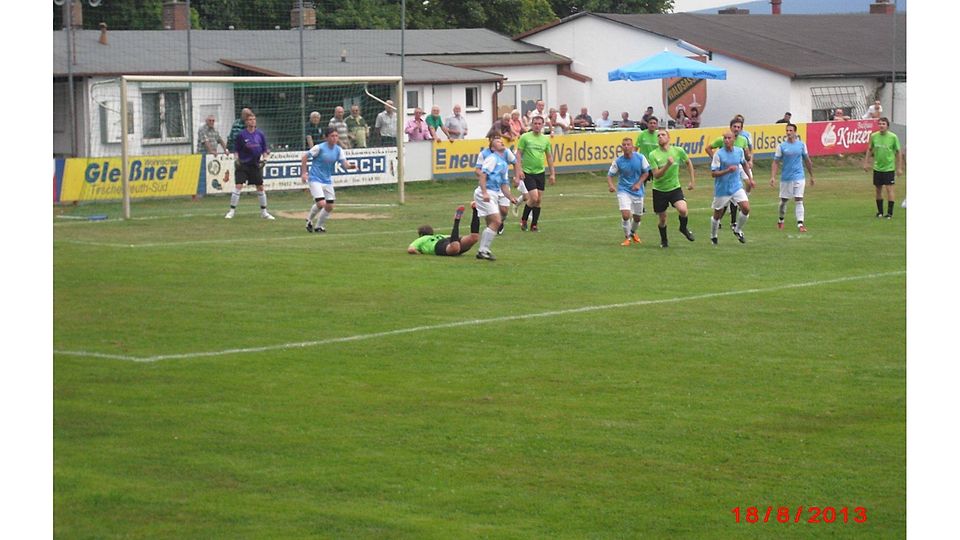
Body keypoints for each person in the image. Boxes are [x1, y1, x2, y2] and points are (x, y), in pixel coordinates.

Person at [300, 126, 358, 233]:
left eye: (336, 136)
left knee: (329, 206)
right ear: (326, 137)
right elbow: (304, 157)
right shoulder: (319, 148)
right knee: (322, 203)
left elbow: (344, 164)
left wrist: (350, 166)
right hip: (315, 178)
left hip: (327, 180)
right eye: (332, 136)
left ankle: (318, 226)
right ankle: (309, 219)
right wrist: (304, 173)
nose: (335, 138)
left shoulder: (338, 150)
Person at [648, 127, 696, 248]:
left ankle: (683, 228)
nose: (660, 137)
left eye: (663, 135)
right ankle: (664, 240)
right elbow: (656, 175)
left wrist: (692, 181)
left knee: (683, 210)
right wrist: (668, 165)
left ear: (669, 138)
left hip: (674, 188)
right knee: (663, 219)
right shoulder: (653, 154)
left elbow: (688, 162)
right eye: (658, 136)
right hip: (659, 190)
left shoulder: (678, 151)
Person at [473, 135, 520, 260]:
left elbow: (504, 184)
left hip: (493, 192)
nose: (501, 142)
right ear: (493, 148)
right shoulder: (492, 158)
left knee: (494, 221)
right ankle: (483, 250)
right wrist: (484, 193)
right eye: (498, 142)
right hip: (486, 192)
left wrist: (511, 197)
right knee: (497, 221)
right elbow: (483, 175)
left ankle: (483, 251)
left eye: (501, 141)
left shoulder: (504, 163)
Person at [706, 117, 754, 230]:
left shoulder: (743, 140)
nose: (736, 129)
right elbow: (708, 148)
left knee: (748, 184)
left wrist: (749, 158)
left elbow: (746, 155)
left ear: (741, 129)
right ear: (730, 127)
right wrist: (715, 159)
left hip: (739, 166)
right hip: (726, 169)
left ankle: (740, 203)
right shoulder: (721, 139)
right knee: (720, 207)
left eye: (738, 127)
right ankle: (725, 214)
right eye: (734, 126)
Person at [225, 113, 274, 220]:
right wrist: (236, 160)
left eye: (254, 119)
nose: (252, 121)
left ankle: (264, 212)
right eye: (250, 120)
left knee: (260, 187)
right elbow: (236, 150)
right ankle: (231, 211)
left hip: (255, 165)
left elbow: (265, 150)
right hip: (243, 164)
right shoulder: (241, 135)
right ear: (246, 122)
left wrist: (264, 160)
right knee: (238, 186)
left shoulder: (260, 134)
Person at [770, 123, 815, 232]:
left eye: (791, 131)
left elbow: (807, 160)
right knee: (783, 202)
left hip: (799, 176)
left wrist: (811, 176)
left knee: (799, 199)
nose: (788, 133)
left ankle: (800, 224)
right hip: (786, 178)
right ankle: (781, 220)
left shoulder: (801, 145)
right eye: (787, 131)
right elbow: (775, 162)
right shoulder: (781, 146)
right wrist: (773, 177)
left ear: (795, 132)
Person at [607, 137, 650, 246]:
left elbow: (646, 173)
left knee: (637, 217)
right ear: (622, 147)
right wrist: (611, 186)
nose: (626, 147)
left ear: (632, 146)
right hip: (623, 190)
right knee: (626, 215)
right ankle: (627, 238)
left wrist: (638, 183)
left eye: (628, 144)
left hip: (638, 191)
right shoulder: (618, 161)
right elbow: (610, 175)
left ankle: (633, 233)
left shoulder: (640, 158)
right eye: (624, 145)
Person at [516, 115, 556, 232]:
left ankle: (534, 224)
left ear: (542, 125)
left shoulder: (545, 139)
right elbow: (518, 154)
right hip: (528, 172)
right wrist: (519, 170)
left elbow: (549, 157)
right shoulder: (525, 137)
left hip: (540, 172)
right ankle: (524, 219)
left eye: (539, 124)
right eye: (535, 123)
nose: (537, 126)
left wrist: (552, 174)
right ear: (531, 124)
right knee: (534, 197)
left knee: (538, 201)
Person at [862, 117, 902, 219]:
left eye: (883, 124)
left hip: (889, 168)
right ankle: (880, 212)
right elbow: (870, 149)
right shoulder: (874, 136)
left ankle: (889, 213)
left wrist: (899, 167)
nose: (881, 126)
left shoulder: (893, 137)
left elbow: (898, 152)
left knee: (889, 189)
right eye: (879, 124)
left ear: (887, 126)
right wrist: (866, 162)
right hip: (877, 168)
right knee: (878, 190)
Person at [407, 204, 481, 256]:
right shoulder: (438, 236)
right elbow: (454, 237)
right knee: (474, 238)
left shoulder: (422, 239)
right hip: (446, 240)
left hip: (438, 246)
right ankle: (475, 210)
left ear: (420, 235)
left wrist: (419, 253)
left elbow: (411, 249)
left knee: (455, 247)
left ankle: (457, 220)